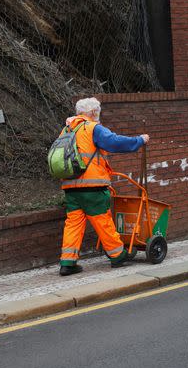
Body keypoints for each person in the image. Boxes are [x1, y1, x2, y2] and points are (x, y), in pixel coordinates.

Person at [58, 97, 149, 276]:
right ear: (93, 112)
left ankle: (67, 262)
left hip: (70, 187)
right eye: (97, 112)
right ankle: (117, 255)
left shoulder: (66, 129)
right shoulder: (92, 128)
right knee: (102, 220)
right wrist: (139, 140)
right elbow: (115, 143)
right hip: (92, 186)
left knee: (73, 224)